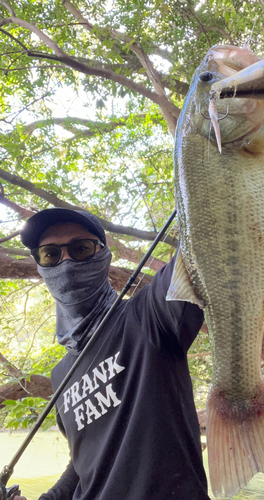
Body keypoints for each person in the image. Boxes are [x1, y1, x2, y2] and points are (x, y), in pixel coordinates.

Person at [15, 207, 210, 500]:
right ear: (41, 267)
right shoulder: (59, 374)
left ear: (104, 255)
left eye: (80, 249)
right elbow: (84, 460)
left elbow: (205, 241)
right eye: (50, 254)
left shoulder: (149, 315)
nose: (65, 262)